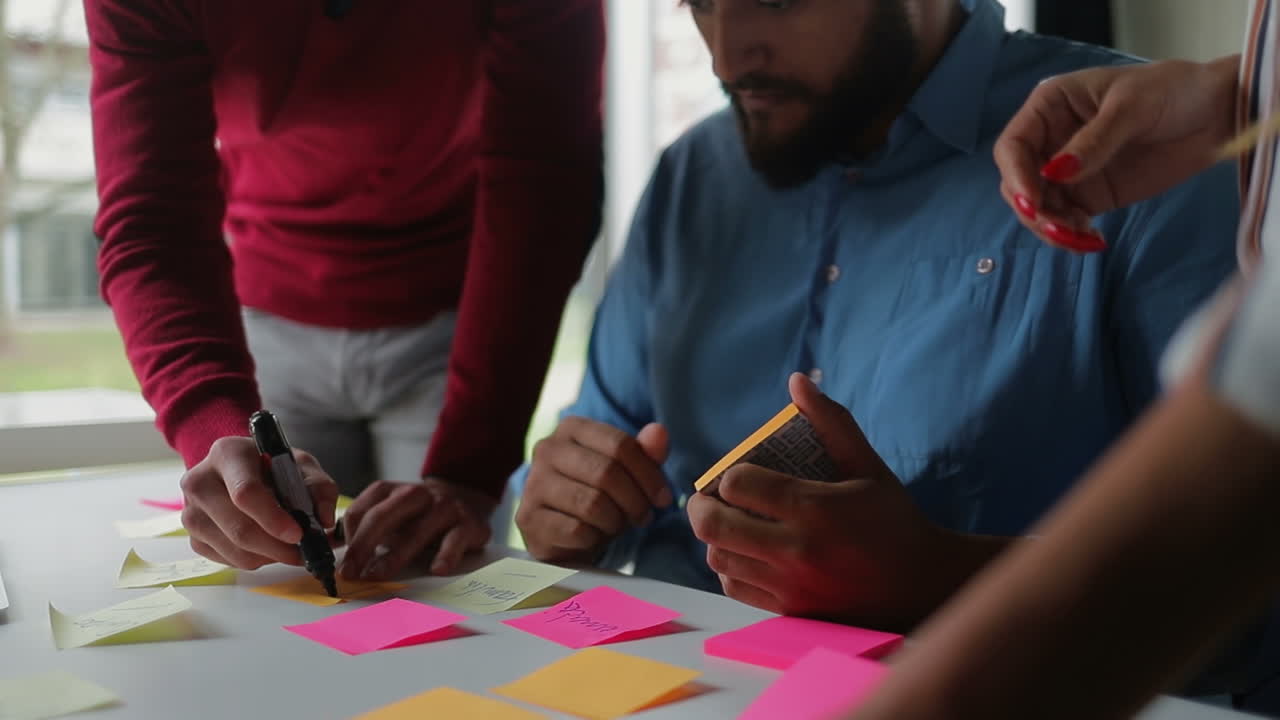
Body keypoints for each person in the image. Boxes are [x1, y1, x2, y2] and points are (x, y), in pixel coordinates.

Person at [513, 0, 1261, 694]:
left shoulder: (1144, 154)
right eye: (698, 2)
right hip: (653, 687)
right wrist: (565, 506)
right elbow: (591, 463)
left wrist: (936, 577)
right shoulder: (690, 178)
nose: (728, 54)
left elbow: (1254, 593)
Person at [847, 5, 1280, 718]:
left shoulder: (1166, 212)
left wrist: (927, 583)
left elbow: (1248, 464)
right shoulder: (696, 174)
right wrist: (1242, 98)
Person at [86, 1, 604, 581]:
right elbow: (154, 216)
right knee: (277, 580)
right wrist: (216, 429)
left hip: (458, 328)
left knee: (447, 583)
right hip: (264, 320)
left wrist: (469, 470)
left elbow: (544, 185)